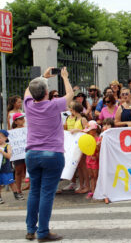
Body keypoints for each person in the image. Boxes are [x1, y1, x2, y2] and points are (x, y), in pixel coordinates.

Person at [24, 67, 73, 241]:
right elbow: (70, 95)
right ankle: (43, 232)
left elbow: (27, 91)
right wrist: (65, 77)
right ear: (46, 92)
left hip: (32, 153)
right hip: (52, 153)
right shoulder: (54, 105)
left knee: (34, 192)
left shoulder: (28, 105)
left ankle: (31, 229)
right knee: (46, 194)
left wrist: (42, 77)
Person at [0, 129, 23, 204]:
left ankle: (17, 194)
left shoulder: (7, 146)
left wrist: (2, 151)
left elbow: (9, 156)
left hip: (6, 168)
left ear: (5, 138)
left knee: (11, 182)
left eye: (1, 137)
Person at [83, 121, 101, 199]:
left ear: (93, 131)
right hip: (88, 160)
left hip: (95, 161)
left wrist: (96, 153)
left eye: (88, 131)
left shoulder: (98, 139)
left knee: (96, 176)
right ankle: (92, 191)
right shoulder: (87, 139)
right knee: (91, 177)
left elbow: (100, 151)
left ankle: (97, 192)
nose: (87, 133)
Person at [11, 113, 27, 198]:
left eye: (23, 118)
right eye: (20, 119)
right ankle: (18, 189)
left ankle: (33, 188)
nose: (23, 120)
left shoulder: (27, 129)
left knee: (31, 170)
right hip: (18, 154)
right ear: (16, 121)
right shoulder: (12, 132)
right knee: (18, 171)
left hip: (28, 152)